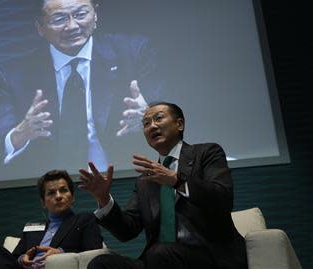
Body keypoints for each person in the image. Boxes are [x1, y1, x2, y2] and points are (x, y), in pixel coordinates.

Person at [0, 0, 164, 180]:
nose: (72, 26)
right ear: (40, 28)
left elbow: (172, 128)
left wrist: (149, 118)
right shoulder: (13, 76)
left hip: (121, 179)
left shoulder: (133, 53)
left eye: (81, 14)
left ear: (95, 15)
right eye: (59, 19)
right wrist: (20, 134)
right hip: (51, 191)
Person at [79, 101, 247, 269]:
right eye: (146, 124)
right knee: (101, 264)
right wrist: (103, 199)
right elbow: (127, 230)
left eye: (158, 118)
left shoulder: (206, 153)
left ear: (179, 124)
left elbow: (222, 198)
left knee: (160, 254)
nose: (152, 126)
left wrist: (177, 181)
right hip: (157, 260)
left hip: (209, 257)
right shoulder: (146, 180)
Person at [0, 169, 103, 269]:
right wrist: (23, 259)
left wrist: (60, 252)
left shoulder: (85, 220)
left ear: (72, 197)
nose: (58, 196)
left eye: (63, 190)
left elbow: (94, 254)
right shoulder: (32, 228)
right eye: (51, 193)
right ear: (43, 202)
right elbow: (14, 257)